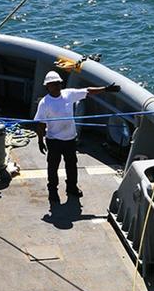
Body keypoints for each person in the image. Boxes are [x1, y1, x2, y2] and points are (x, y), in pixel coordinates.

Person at [33, 71, 118, 205]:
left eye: (57, 83)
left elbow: (87, 91)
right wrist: (40, 141)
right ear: (47, 86)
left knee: (72, 165)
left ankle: (72, 187)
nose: (55, 86)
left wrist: (106, 89)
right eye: (52, 84)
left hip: (70, 139)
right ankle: (53, 190)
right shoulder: (44, 103)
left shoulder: (69, 94)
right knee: (53, 166)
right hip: (54, 140)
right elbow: (41, 124)